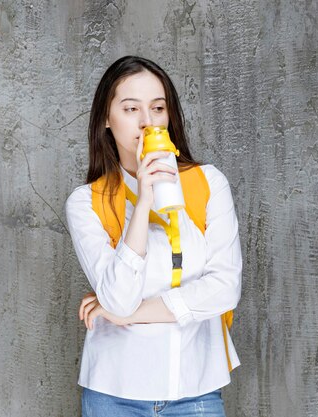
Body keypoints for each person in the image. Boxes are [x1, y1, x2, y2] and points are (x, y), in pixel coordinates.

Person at [65, 55, 242, 416]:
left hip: (196, 390)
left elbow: (225, 288)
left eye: (158, 108)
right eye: (131, 108)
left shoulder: (209, 183)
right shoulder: (86, 203)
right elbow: (117, 297)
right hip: (112, 394)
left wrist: (128, 315)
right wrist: (145, 200)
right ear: (106, 119)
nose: (147, 122)